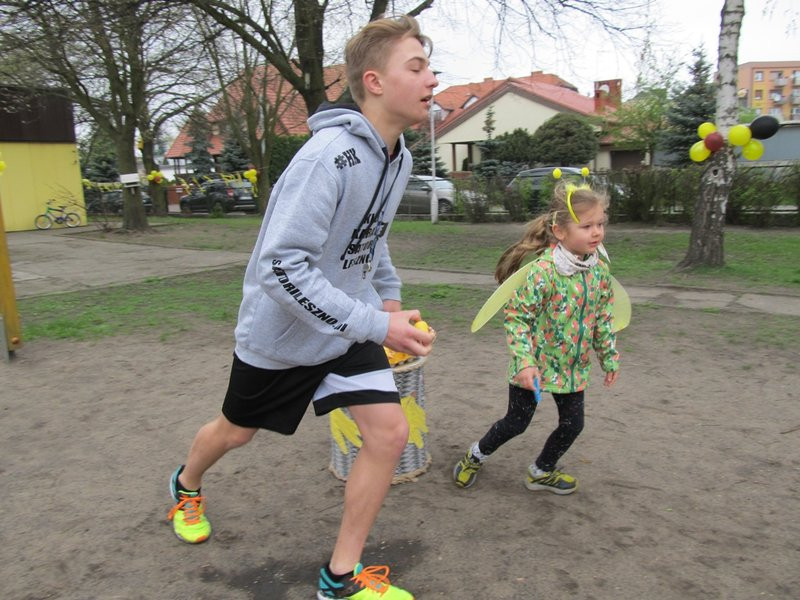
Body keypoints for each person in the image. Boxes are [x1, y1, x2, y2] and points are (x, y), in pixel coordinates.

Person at [166, 15, 437, 600]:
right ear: (375, 81)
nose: (432, 79)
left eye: (430, 66)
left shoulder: (399, 158)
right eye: (416, 67)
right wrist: (374, 319)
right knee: (235, 433)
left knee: (388, 434)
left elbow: (370, 235)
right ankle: (187, 485)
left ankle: (338, 578)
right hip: (281, 338)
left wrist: (386, 301)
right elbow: (280, 267)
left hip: (345, 328)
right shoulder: (326, 159)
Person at [453, 182, 620, 494]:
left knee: (574, 425)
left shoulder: (599, 274)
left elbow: (603, 319)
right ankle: (474, 456)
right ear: (560, 231)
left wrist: (608, 357)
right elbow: (517, 318)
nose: (596, 232)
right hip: (533, 369)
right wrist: (525, 363)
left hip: (572, 368)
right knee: (516, 423)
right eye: (587, 226)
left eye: (600, 224)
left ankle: (541, 471)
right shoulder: (543, 273)